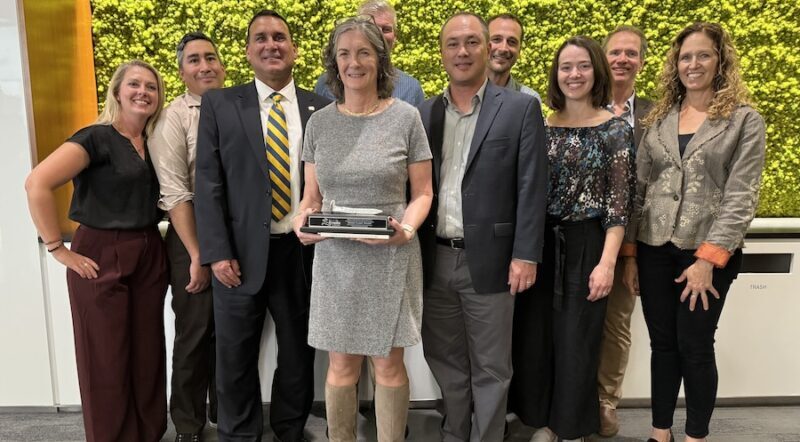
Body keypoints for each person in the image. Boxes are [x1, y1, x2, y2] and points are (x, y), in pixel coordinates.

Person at [622, 22, 766, 442]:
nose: (693, 64)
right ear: (675, 64)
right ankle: (659, 432)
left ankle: (696, 436)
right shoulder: (660, 118)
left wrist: (708, 258)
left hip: (705, 253)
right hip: (653, 248)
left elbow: (742, 195)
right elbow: (640, 190)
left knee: (696, 345)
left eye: (703, 55)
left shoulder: (743, 120)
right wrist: (631, 254)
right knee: (663, 346)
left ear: (720, 60)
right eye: (685, 57)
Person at [292, 16, 433, 442]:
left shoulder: (406, 118)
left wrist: (406, 230)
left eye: (364, 52)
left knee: (389, 364)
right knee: (341, 366)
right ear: (335, 63)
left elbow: (422, 193)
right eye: (345, 54)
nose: (354, 62)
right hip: (336, 260)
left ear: (380, 59)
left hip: (391, 254)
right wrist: (303, 220)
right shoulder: (319, 123)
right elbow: (311, 197)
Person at [194, 10, 331, 442]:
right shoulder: (220, 103)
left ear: (293, 49)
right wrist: (216, 252)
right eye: (260, 38)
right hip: (237, 253)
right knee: (234, 354)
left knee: (297, 353)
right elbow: (209, 181)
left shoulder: (322, 108)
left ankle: (290, 430)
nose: (271, 44)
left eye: (279, 37)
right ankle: (239, 434)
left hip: (302, 250)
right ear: (248, 50)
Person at [417, 12, 547, 441]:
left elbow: (532, 186)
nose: (462, 51)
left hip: (491, 260)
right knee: (445, 359)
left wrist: (526, 254)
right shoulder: (423, 113)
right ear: (441, 53)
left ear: (488, 47)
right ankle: (456, 433)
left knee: (492, 366)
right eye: (453, 43)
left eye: (472, 42)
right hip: (433, 258)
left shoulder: (520, 108)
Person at [25, 60, 169, 442]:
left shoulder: (153, 142)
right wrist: (58, 248)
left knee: (147, 352)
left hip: (148, 248)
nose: (143, 92)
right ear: (117, 91)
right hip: (101, 251)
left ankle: (148, 433)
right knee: (104, 357)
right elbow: (37, 183)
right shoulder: (95, 138)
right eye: (134, 84)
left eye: (151, 87)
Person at [509, 36, 635, 442]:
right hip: (540, 243)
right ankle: (542, 420)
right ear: (556, 74)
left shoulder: (615, 129)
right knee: (538, 338)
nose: (574, 74)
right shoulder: (541, 125)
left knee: (578, 340)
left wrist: (608, 263)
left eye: (582, 66)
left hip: (588, 244)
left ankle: (571, 428)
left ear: (596, 70)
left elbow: (619, 207)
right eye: (566, 67)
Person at [149, 32, 225, 442]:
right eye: (194, 60)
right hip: (189, 233)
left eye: (210, 58)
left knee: (230, 333)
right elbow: (175, 190)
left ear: (223, 65)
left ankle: (226, 414)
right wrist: (198, 254)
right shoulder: (174, 117)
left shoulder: (237, 107)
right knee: (194, 334)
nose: (204, 66)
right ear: (182, 72)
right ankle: (189, 425)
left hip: (234, 234)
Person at [595, 24, 653, 437]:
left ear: (642, 62)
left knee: (616, 324)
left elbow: (647, 188)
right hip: (578, 235)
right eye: (615, 52)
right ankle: (571, 398)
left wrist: (629, 252)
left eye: (631, 53)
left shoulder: (657, 115)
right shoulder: (579, 103)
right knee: (573, 322)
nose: (622, 59)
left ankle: (605, 401)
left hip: (629, 240)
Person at [313, 0, 425, 106]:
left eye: (386, 29)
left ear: (395, 37)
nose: (379, 35)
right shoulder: (325, 85)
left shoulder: (411, 89)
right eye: (372, 28)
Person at [486, 13, 542, 103]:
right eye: (496, 39)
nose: (503, 48)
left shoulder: (529, 100)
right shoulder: (459, 93)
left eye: (512, 42)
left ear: (519, 50)